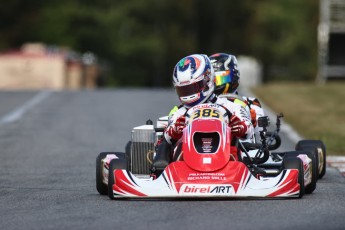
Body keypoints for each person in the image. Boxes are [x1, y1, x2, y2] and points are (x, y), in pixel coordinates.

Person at [151, 54, 254, 175]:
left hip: (229, 162)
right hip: (185, 164)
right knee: (170, 146)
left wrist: (241, 128)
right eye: (184, 90)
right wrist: (174, 132)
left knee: (237, 145)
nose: (189, 94)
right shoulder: (178, 112)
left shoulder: (233, 106)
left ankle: (241, 173)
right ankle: (167, 174)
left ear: (207, 81)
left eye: (193, 87)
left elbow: (249, 132)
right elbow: (166, 138)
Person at [209, 53, 265, 136]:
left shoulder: (250, 103)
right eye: (215, 81)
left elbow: (261, 132)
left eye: (222, 79)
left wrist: (252, 120)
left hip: (243, 144)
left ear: (234, 77)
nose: (217, 84)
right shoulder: (206, 103)